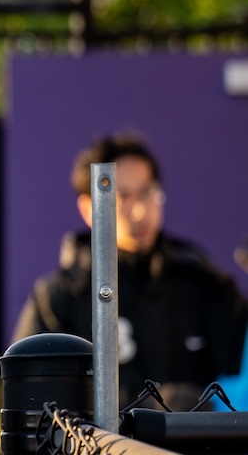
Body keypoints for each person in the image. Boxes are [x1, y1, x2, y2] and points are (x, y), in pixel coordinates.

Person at [13, 132, 248, 411]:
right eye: (122, 196)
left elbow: (239, 385)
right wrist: (147, 410)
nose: (139, 211)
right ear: (88, 208)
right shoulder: (59, 299)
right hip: (98, 454)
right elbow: (34, 403)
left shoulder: (204, 282)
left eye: (147, 191)